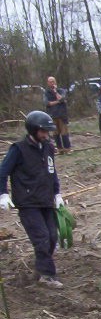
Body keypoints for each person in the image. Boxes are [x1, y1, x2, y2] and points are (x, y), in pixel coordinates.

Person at [0, 111, 65, 288]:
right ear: (34, 130)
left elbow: (52, 172)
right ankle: (47, 275)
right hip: (27, 203)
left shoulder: (48, 147)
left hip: (46, 199)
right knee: (41, 237)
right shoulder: (18, 149)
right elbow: (2, 171)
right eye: (44, 131)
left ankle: (40, 267)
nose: (46, 135)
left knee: (52, 236)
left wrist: (57, 193)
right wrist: (3, 194)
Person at [42, 77, 71, 154]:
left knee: (64, 133)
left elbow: (62, 98)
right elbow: (47, 103)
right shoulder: (46, 93)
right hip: (52, 115)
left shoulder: (61, 90)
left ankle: (67, 149)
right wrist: (59, 102)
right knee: (56, 133)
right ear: (48, 83)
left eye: (53, 81)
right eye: (50, 82)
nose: (52, 83)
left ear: (55, 82)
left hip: (62, 115)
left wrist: (55, 92)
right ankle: (60, 149)